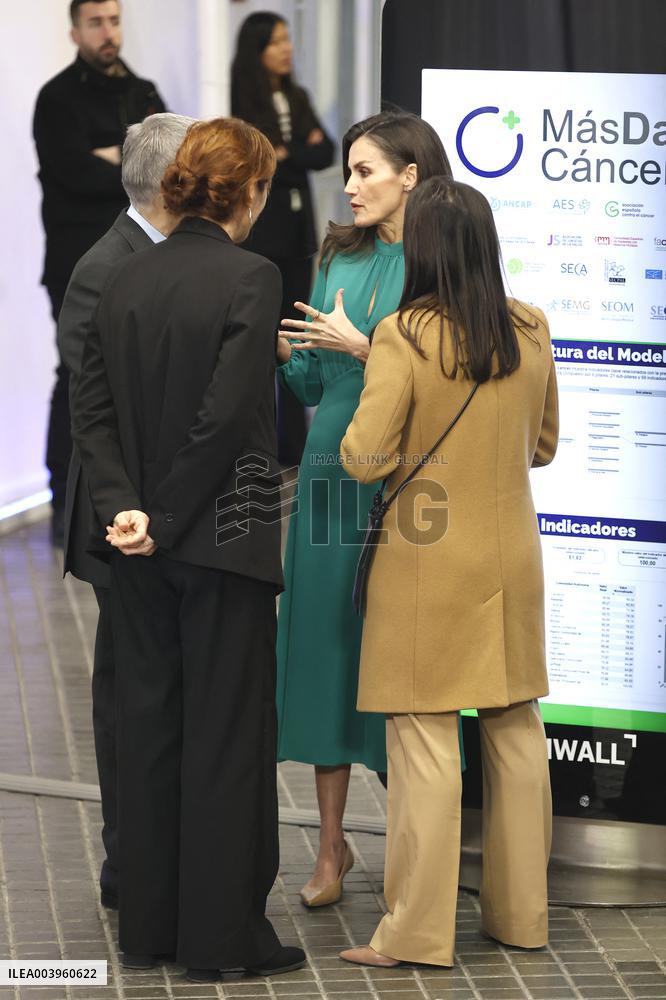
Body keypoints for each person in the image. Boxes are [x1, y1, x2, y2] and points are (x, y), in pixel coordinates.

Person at [71, 117, 304, 979]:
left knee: (152, 731)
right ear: (245, 191)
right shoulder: (254, 276)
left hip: (134, 549)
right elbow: (224, 420)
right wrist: (166, 517)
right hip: (222, 543)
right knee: (225, 737)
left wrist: (126, 512)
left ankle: (149, 932)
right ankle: (221, 941)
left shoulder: (124, 279)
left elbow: (88, 413)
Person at [338, 177, 559, 967]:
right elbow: (543, 446)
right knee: (514, 730)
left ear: (424, 247)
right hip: (511, 555)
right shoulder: (531, 327)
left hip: (426, 563)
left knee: (426, 743)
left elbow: (363, 457)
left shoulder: (404, 335)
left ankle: (416, 933)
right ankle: (522, 916)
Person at [275, 112, 452, 907]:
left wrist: (365, 346)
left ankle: (414, 847)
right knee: (322, 651)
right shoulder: (336, 258)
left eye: (366, 170)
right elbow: (314, 390)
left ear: (411, 174)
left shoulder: (445, 262)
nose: (348, 186)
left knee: (401, 654)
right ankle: (331, 846)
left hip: (411, 479)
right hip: (326, 479)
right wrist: (293, 356)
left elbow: (452, 372)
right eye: (347, 171)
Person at [57, 112, 194, 912]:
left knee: (154, 684)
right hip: (125, 520)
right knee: (130, 692)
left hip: (168, 514)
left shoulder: (173, 255)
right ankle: (127, 860)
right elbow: (91, 401)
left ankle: (153, 851)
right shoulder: (105, 264)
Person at [33, 0, 165, 544]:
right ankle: (64, 496)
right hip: (75, 264)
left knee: (139, 376)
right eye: (96, 23)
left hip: (144, 262)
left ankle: (129, 499)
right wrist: (122, 165)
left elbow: (168, 165)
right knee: (78, 376)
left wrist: (115, 157)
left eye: (114, 21)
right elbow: (72, 172)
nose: (108, 32)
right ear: (75, 31)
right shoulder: (57, 98)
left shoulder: (144, 91)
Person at [232, 11, 334, 466]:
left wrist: (288, 152)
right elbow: (259, 158)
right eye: (276, 42)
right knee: (259, 339)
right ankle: (261, 445)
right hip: (261, 236)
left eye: (288, 39)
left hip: (298, 234)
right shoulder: (242, 100)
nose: (287, 48)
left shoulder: (297, 95)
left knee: (295, 339)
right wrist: (290, 152)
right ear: (257, 51)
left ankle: (294, 445)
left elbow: (325, 150)